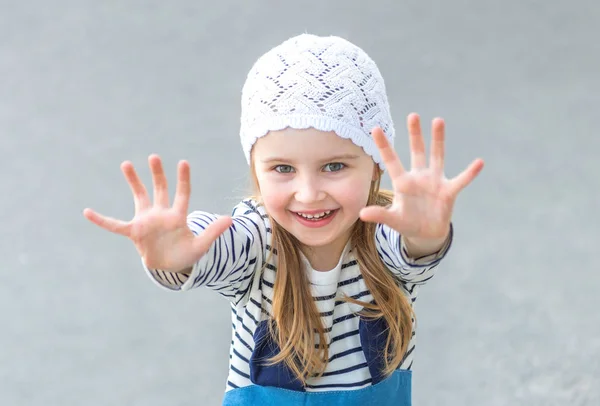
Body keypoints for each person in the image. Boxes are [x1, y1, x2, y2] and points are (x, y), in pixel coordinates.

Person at [83, 33, 484, 406]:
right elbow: (219, 242)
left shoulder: (384, 231)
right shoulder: (257, 239)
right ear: (256, 170)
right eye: (283, 169)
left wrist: (427, 235)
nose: (308, 193)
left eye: (334, 165)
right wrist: (178, 255)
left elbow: (411, 249)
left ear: (375, 167)